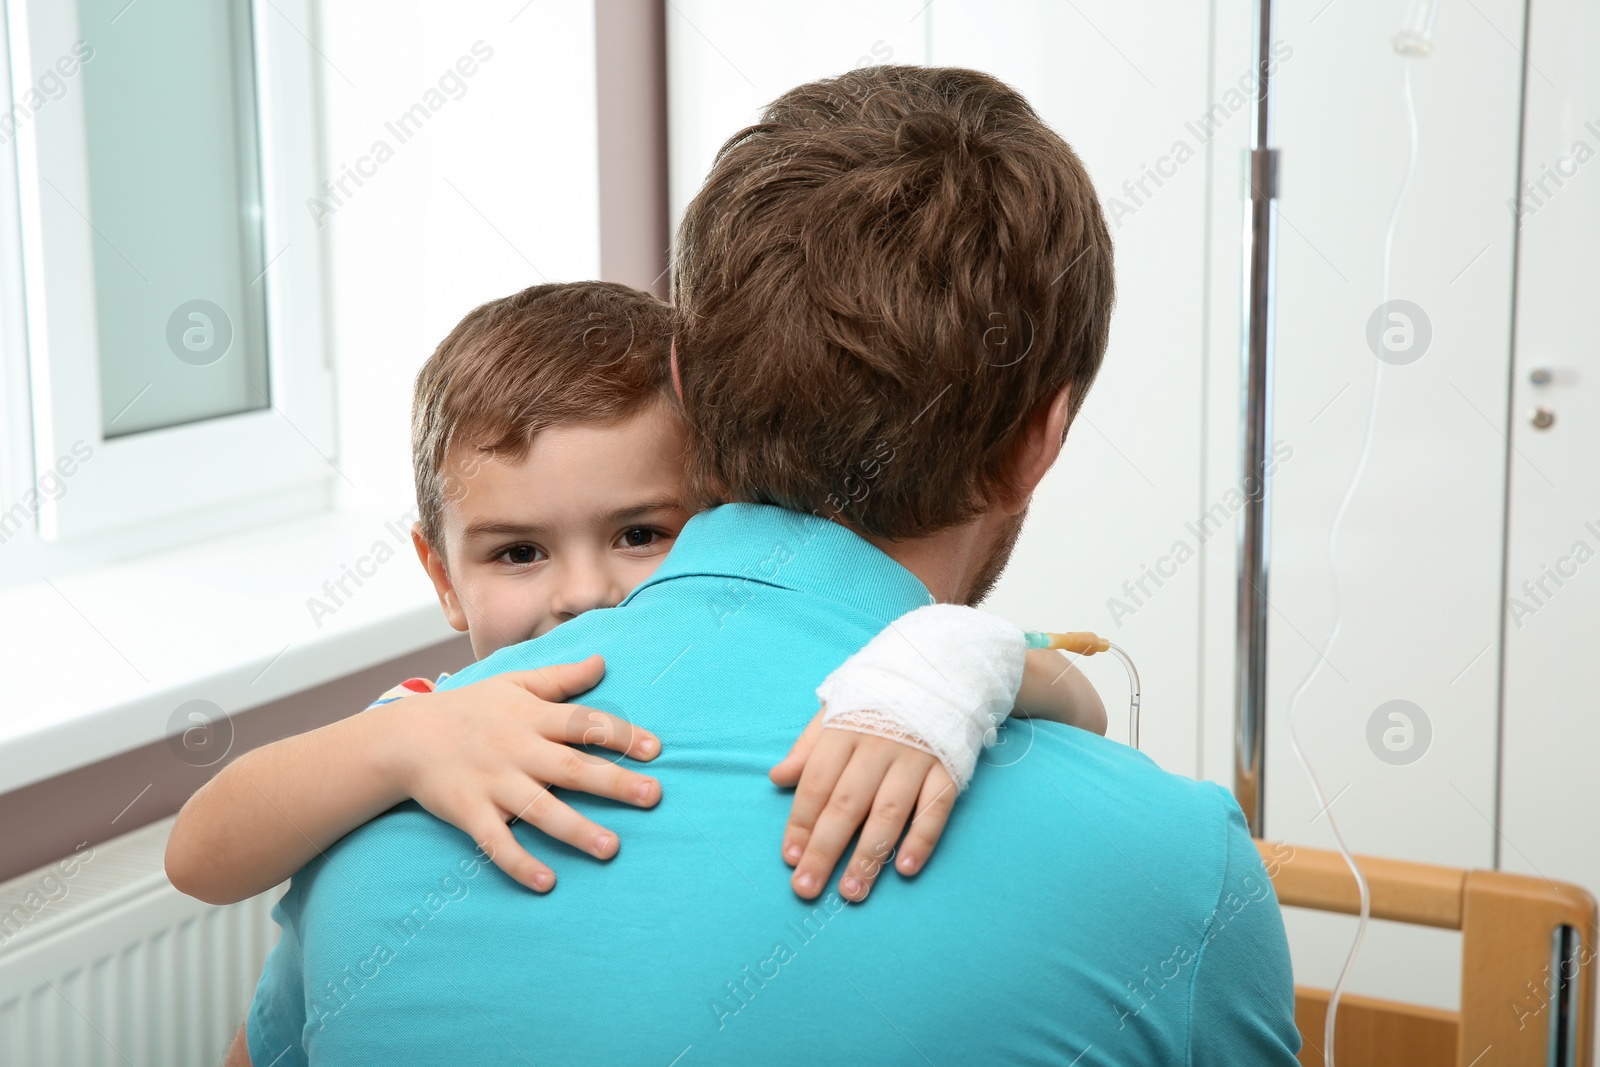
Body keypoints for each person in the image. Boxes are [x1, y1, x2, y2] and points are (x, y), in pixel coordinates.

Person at [236, 65, 1301, 1065]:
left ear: (685, 384)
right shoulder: (1177, 867)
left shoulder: (375, 802)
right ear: (1039, 438)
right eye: (519, 549)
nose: (577, 587)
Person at [167, 281, 1103, 915]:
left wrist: (964, 659)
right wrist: (399, 743)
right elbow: (200, 857)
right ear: (443, 577)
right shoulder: (435, 722)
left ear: (729, 513)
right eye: (519, 552)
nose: (584, 593)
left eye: (640, 534)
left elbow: (1081, 703)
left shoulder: (867, 674)